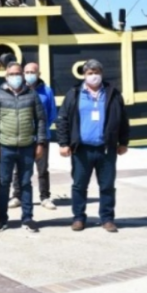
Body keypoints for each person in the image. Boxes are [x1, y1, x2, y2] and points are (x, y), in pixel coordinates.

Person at [57, 59, 130, 232]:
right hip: (81, 149)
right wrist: (63, 143)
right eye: (90, 73)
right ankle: (78, 218)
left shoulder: (113, 93)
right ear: (84, 75)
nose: (93, 76)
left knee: (107, 186)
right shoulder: (74, 94)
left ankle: (107, 218)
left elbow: (123, 120)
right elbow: (63, 120)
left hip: (106, 149)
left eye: (96, 72)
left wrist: (123, 142)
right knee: (79, 185)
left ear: (101, 73)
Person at [0, 62, 47, 233]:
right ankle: (1, 218)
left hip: (27, 146)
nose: (15, 77)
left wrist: (40, 143)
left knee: (26, 183)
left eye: (18, 74)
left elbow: (41, 119)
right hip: (5, 147)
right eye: (12, 74)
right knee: (4, 183)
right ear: (6, 76)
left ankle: (27, 218)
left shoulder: (32, 94)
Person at [9, 62, 58, 210]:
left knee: (42, 169)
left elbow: (52, 113)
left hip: (41, 137)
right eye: (27, 72)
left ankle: (45, 197)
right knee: (20, 168)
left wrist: (41, 130)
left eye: (33, 72)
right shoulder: (19, 90)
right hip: (23, 136)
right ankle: (17, 196)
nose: (29, 74)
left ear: (38, 73)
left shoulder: (46, 91)